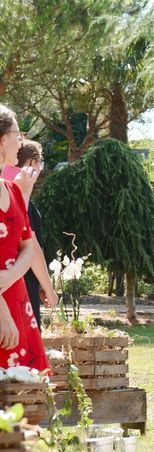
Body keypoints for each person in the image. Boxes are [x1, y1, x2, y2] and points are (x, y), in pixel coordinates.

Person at [0, 104, 49, 370]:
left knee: (27, 396)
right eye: (17, 134)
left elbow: (28, 246)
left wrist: (10, 276)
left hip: (18, 299)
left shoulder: (15, 190)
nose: (21, 143)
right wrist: (2, 313)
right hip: (3, 306)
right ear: (3, 138)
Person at [14, 140, 58, 328]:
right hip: (22, 284)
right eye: (40, 162)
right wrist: (49, 289)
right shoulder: (20, 195)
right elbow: (31, 246)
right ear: (31, 163)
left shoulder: (9, 190)